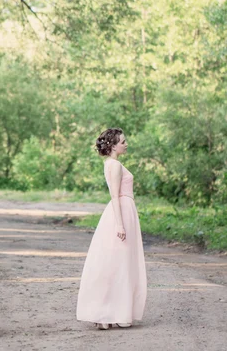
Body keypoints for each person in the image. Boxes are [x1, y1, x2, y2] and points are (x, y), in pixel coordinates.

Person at [76, 128, 147, 330]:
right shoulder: (114, 165)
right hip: (121, 211)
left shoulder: (111, 163)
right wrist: (119, 223)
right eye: (123, 142)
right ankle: (108, 313)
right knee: (119, 263)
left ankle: (112, 313)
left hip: (124, 211)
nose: (126, 144)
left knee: (118, 263)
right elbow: (115, 195)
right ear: (113, 145)